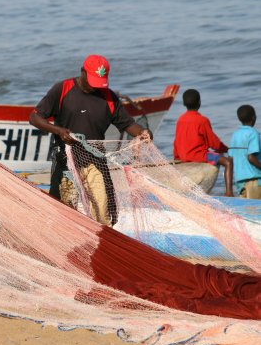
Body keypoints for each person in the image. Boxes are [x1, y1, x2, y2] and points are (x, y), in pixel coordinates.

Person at [29, 55, 150, 227]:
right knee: (63, 211)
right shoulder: (62, 89)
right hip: (66, 163)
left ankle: (102, 245)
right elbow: (34, 117)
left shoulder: (109, 98)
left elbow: (128, 124)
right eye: (93, 81)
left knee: (105, 214)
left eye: (100, 82)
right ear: (83, 71)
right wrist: (58, 130)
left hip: (95, 163)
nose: (96, 87)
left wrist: (143, 133)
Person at [173, 89, 233, 197]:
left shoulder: (180, 119)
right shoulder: (203, 120)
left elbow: (176, 142)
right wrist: (224, 148)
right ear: (199, 102)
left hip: (183, 156)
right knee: (228, 162)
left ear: (184, 103)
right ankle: (229, 192)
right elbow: (213, 143)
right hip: (199, 156)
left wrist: (178, 158)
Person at [229, 105, 261, 199]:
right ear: (253, 117)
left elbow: (231, 159)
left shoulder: (235, 135)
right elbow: (251, 157)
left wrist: (229, 189)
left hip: (240, 182)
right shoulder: (253, 133)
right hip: (254, 180)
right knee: (257, 211)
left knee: (246, 211)